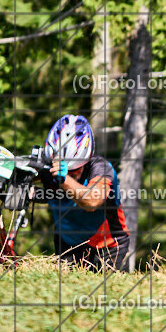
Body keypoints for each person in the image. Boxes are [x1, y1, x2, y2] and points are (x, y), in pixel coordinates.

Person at [36, 115, 130, 271]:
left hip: (108, 248)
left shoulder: (101, 168)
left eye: (76, 168)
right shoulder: (47, 167)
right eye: (67, 169)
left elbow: (92, 202)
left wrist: (63, 179)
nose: (71, 173)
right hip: (66, 243)